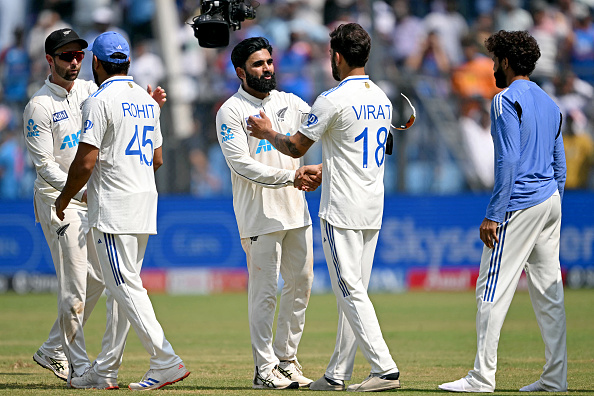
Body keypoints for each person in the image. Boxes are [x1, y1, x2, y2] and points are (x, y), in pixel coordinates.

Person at [247, 23, 401, 393]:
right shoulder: (382, 97)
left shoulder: (333, 98)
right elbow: (381, 146)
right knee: (356, 291)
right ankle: (337, 373)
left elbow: (297, 148)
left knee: (349, 290)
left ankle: (384, 368)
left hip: (342, 207)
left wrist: (268, 133)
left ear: (337, 56)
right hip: (372, 205)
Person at [23, 28, 166, 386]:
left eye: (78, 56)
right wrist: (75, 194)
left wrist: (148, 109)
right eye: (66, 57)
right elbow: (46, 167)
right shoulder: (39, 105)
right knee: (73, 288)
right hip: (62, 201)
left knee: (104, 281)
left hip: (94, 197)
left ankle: (54, 346)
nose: (74, 63)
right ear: (49, 60)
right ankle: (80, 367)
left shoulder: (92, 91)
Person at [54, 31, 189, 391]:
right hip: (145, 202)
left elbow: (85, 162)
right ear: (127, 61)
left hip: (114, 206)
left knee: (125, 287)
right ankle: (106, 370)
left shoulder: (98, 100)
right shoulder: (147, 102)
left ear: (95, 63)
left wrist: (65, 198)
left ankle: (165, 361)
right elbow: (157, 159)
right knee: (122, 289)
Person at [438, 30, 568, 393]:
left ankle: (482, 377)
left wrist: (495, 213)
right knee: (549, 292)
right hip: (548, 202)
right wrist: (552, 201)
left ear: (506, 62)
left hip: (520, 203)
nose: (493, 66)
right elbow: (561, 165)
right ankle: (556, 379)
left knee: (490, 288)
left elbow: (508, 159)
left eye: (495, 60)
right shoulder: (550, 102)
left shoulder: (504, 99)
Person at [216, 36, 320, 390]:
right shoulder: (231, 111)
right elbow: (241, 165)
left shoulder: (290, 102)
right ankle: (264, 369)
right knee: (264, 293)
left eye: (269, 62)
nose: (267, 69)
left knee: (301, 285)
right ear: (240, 71)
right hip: (259, 215)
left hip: (296, 212)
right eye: (258, 64)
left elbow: (323, 127)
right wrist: (292, 176)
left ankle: (286, 360)